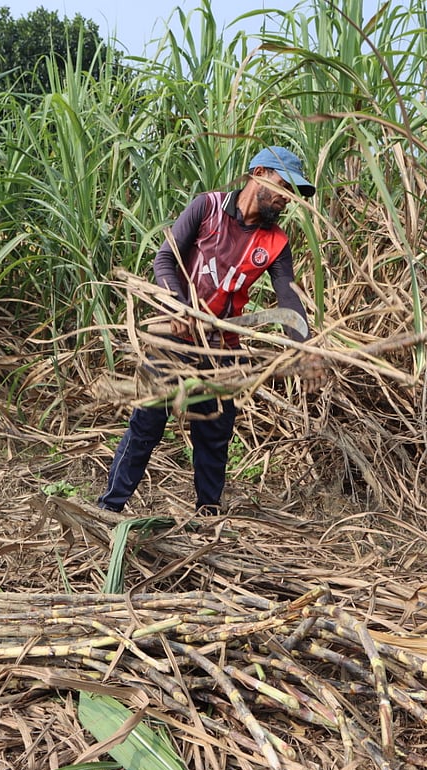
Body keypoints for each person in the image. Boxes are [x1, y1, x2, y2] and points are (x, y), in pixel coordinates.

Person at [97, 144, 326, 515]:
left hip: (222, 348)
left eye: (294, 194)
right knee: (147, 425)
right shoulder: (207, 207)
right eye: (285, 188)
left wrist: (307, 348)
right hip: (175, 338)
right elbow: (166, 257)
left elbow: (288, 300)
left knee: (214, 437)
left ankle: (207, 517)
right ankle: (109, 509)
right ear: (259, 174)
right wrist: (177, 302)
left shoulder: (276, 243)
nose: (288, 200)